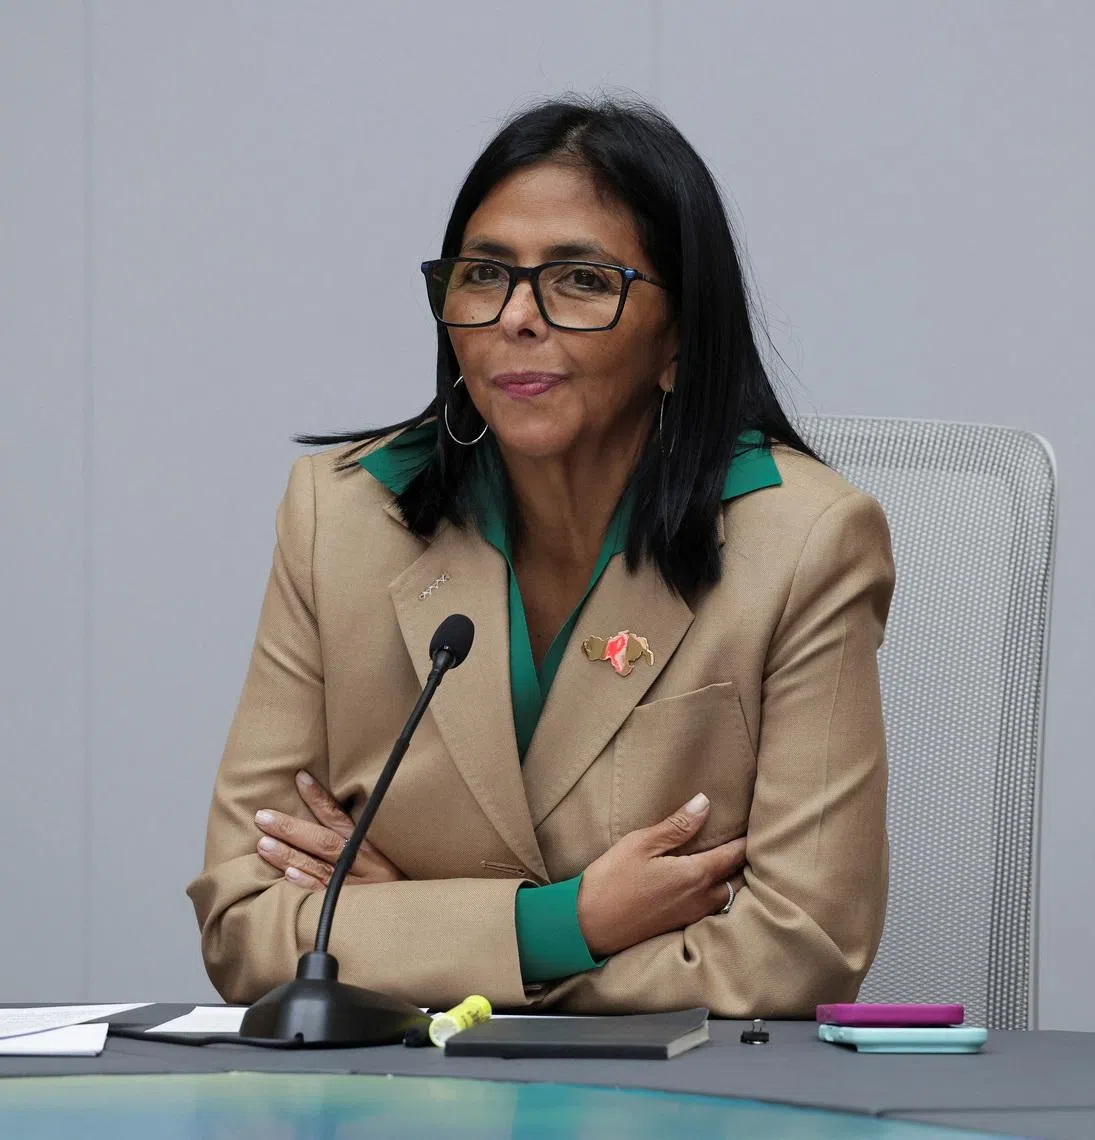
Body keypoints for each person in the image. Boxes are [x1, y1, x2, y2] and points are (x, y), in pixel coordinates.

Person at [187, 96, 894, 1019]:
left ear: (680, 335)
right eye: (484, 275)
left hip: (672, 1092)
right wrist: (564, 925)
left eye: (582, 281)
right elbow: (245, 925)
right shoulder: (341, 519)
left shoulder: (804, 542)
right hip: (394, 1094)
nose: (517, 317)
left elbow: (799, 953)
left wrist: (405, 936)